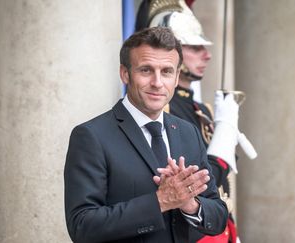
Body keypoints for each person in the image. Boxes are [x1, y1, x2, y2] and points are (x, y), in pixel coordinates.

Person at [64, 26, 228, 243]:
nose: (157, 83)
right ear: (125, 74)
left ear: (177, 76)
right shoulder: (91, 136)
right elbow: (82, 226)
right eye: (146, 70)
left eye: (167, 71)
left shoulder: (188, 132)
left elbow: (218, 216)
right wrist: (161, 201)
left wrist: (189, 203)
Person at [136, 1, 243, 242]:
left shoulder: (199, 109)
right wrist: (221, 151)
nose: (207, 55)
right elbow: (187, 183)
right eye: (195, 47)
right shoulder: (163, 110)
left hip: (217, 225)